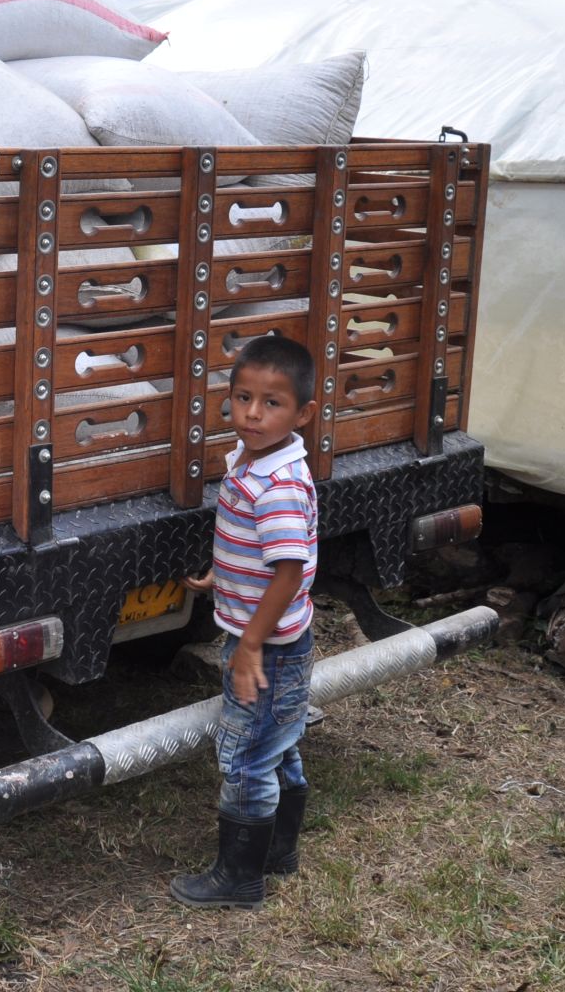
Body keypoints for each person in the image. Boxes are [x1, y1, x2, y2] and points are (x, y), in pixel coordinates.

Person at [171, 333, 320, 908]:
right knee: (278, 745)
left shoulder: (276, 485)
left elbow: (288, 570)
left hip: (269, 648)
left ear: (303, 413)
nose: (253, 413)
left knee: (246, 757)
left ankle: (239, 878)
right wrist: (223, 575)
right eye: (243, 398)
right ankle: (278, 852)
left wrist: (251, 646)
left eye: (272, 403)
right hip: (276, 640)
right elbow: (262, 552)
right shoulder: (253, 461)